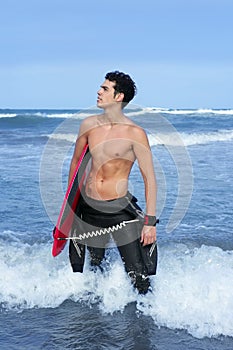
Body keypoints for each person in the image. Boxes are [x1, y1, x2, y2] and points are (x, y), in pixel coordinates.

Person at [68, 71, 158, 294]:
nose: (99, 91)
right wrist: (70, 209)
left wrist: (150, 222)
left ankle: (146, 320)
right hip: (88, 209)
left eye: (105, 89)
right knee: (94, 268)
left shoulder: (135, 133)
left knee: (138, 275)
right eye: (101, 87)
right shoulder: (88, 125)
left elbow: (150, 178)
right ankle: (97, 319)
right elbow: (76, 164)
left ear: (119, 96)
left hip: (119, 210)